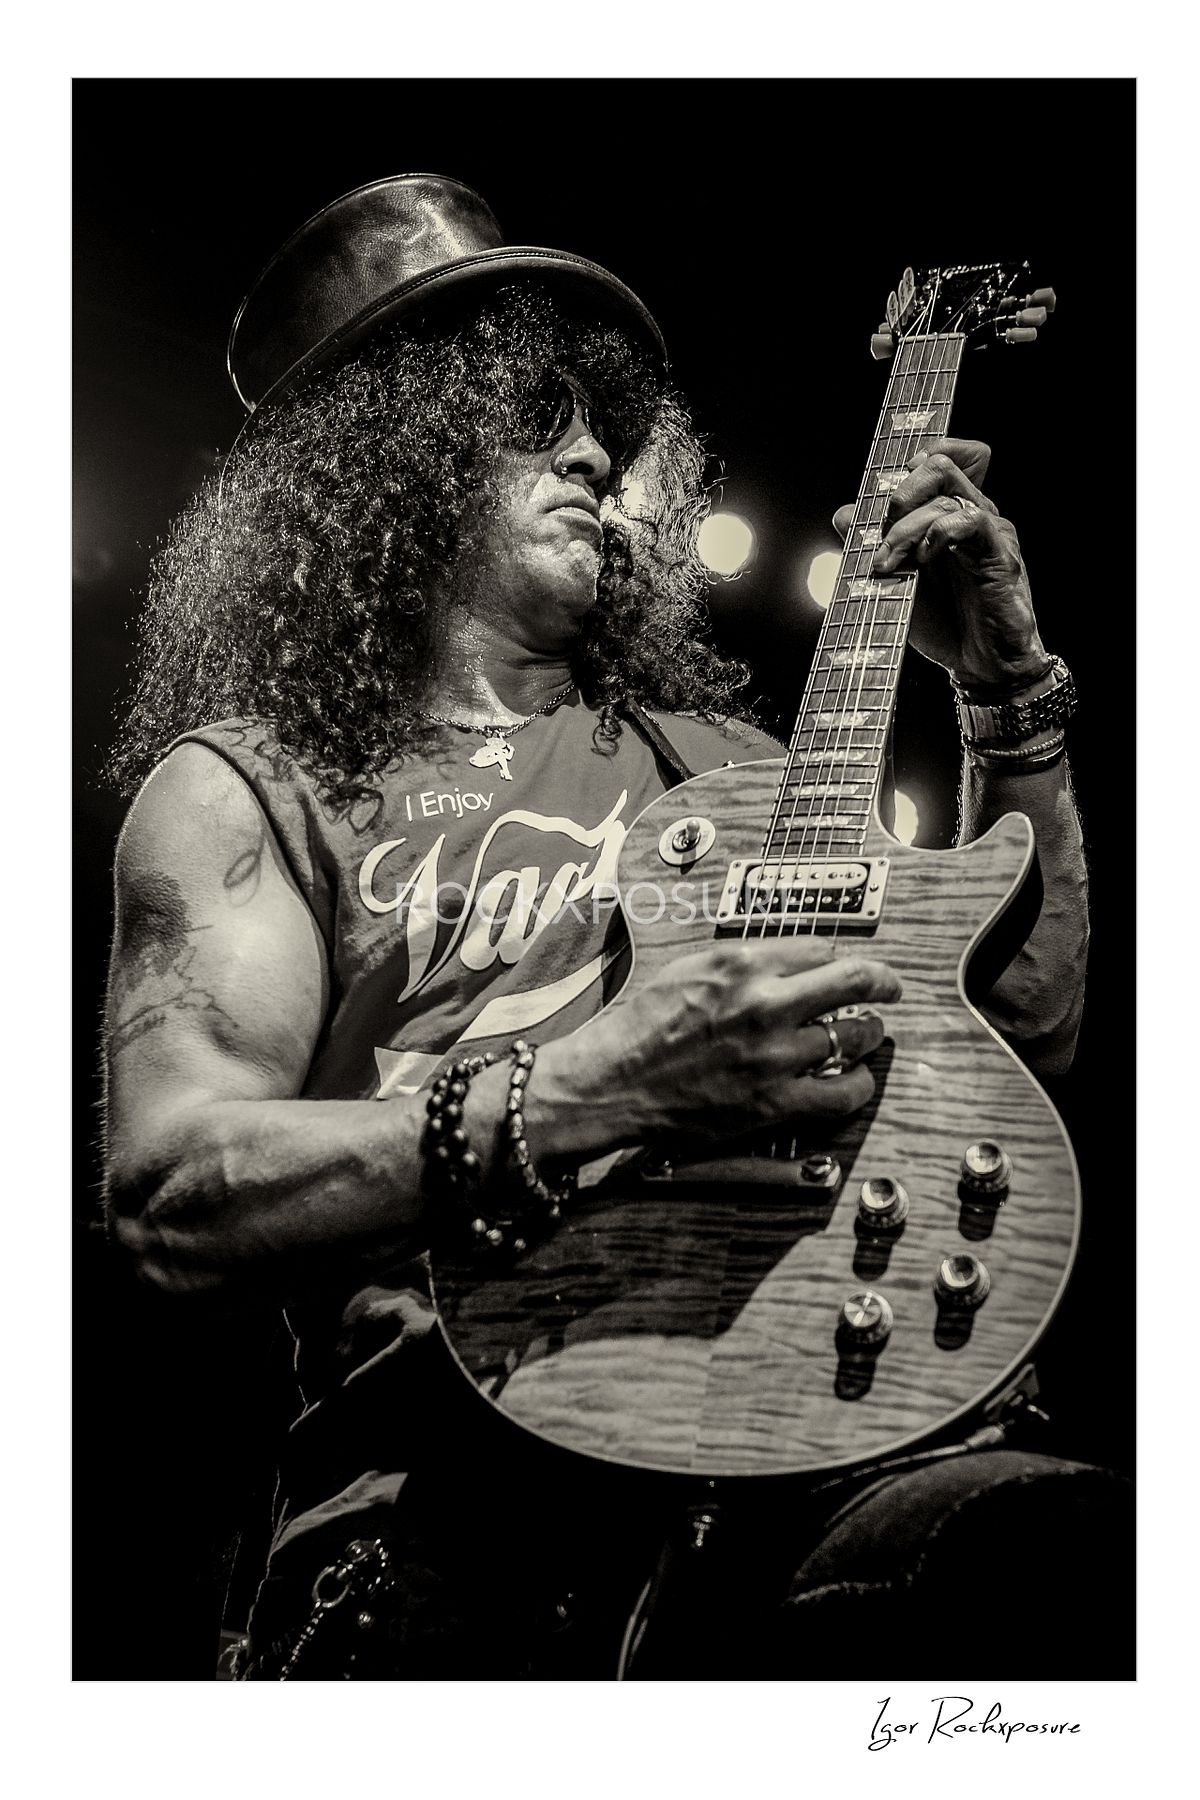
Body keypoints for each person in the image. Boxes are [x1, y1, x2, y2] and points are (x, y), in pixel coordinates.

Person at [102, 173, 1126, 1679]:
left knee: (1064, 1574)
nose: (596, 451)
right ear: (388, 457)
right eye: (534, 412)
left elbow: (1020, 1039)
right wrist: (612, 1080)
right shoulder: (250, 786)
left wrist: (1008, 691)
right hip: (458, 1497)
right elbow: (176, 1184)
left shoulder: (737, 770)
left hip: (847, 1434)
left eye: (604, 420)